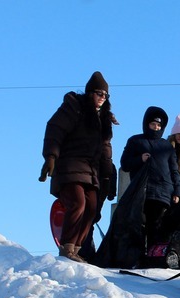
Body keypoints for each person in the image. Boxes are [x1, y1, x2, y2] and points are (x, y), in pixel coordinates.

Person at [39, 71, 117, 263]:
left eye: (105, 95)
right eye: (99, 93)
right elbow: (55, 129)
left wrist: (108, 177)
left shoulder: (103, 119)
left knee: (92, 209)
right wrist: (50, 157)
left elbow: (106, 150)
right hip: (69, 166)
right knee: (78, 203)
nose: (102, 97)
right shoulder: (74, 108)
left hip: (91, 172)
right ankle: (66, 247)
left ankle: (76, 249)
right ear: (90, 93)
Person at [120, 106, 180, 251]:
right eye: (153, 124)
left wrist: (177, 191)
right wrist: (139, 159)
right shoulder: (135, 141)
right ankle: (138, 256)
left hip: (162, 194)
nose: (156, 127)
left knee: (156, 228)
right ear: (147, 124)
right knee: (138, 227)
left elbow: (174, 170)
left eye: (159, 125)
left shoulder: (167, 146)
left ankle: (154, 256)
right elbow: (125, 164)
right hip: (141, 191)